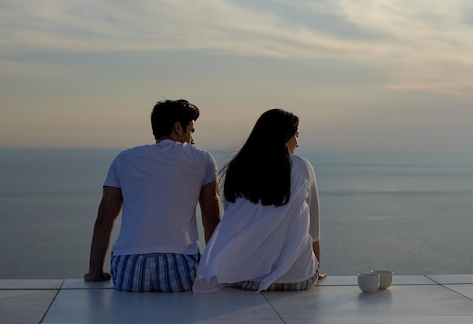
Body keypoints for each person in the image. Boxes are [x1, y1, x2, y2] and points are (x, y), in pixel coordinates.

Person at [84, 99, 220, 292]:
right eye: (191, 131)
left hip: (128, 272)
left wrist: (95, 272)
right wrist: (216, 271)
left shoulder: (124, 158)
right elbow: (211, 219)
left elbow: (104, 218)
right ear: (178, 127)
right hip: (180, 270)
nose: (192, 140)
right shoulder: (202, 159)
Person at [193, 109, 325, 293]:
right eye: (296, 135)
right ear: (285, 136)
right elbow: (314, 231)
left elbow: (235, 223)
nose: (298, 143)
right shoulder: (302, 167)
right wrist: (315, 269)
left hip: (246, 278)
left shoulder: (238, 170)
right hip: (299, 279)